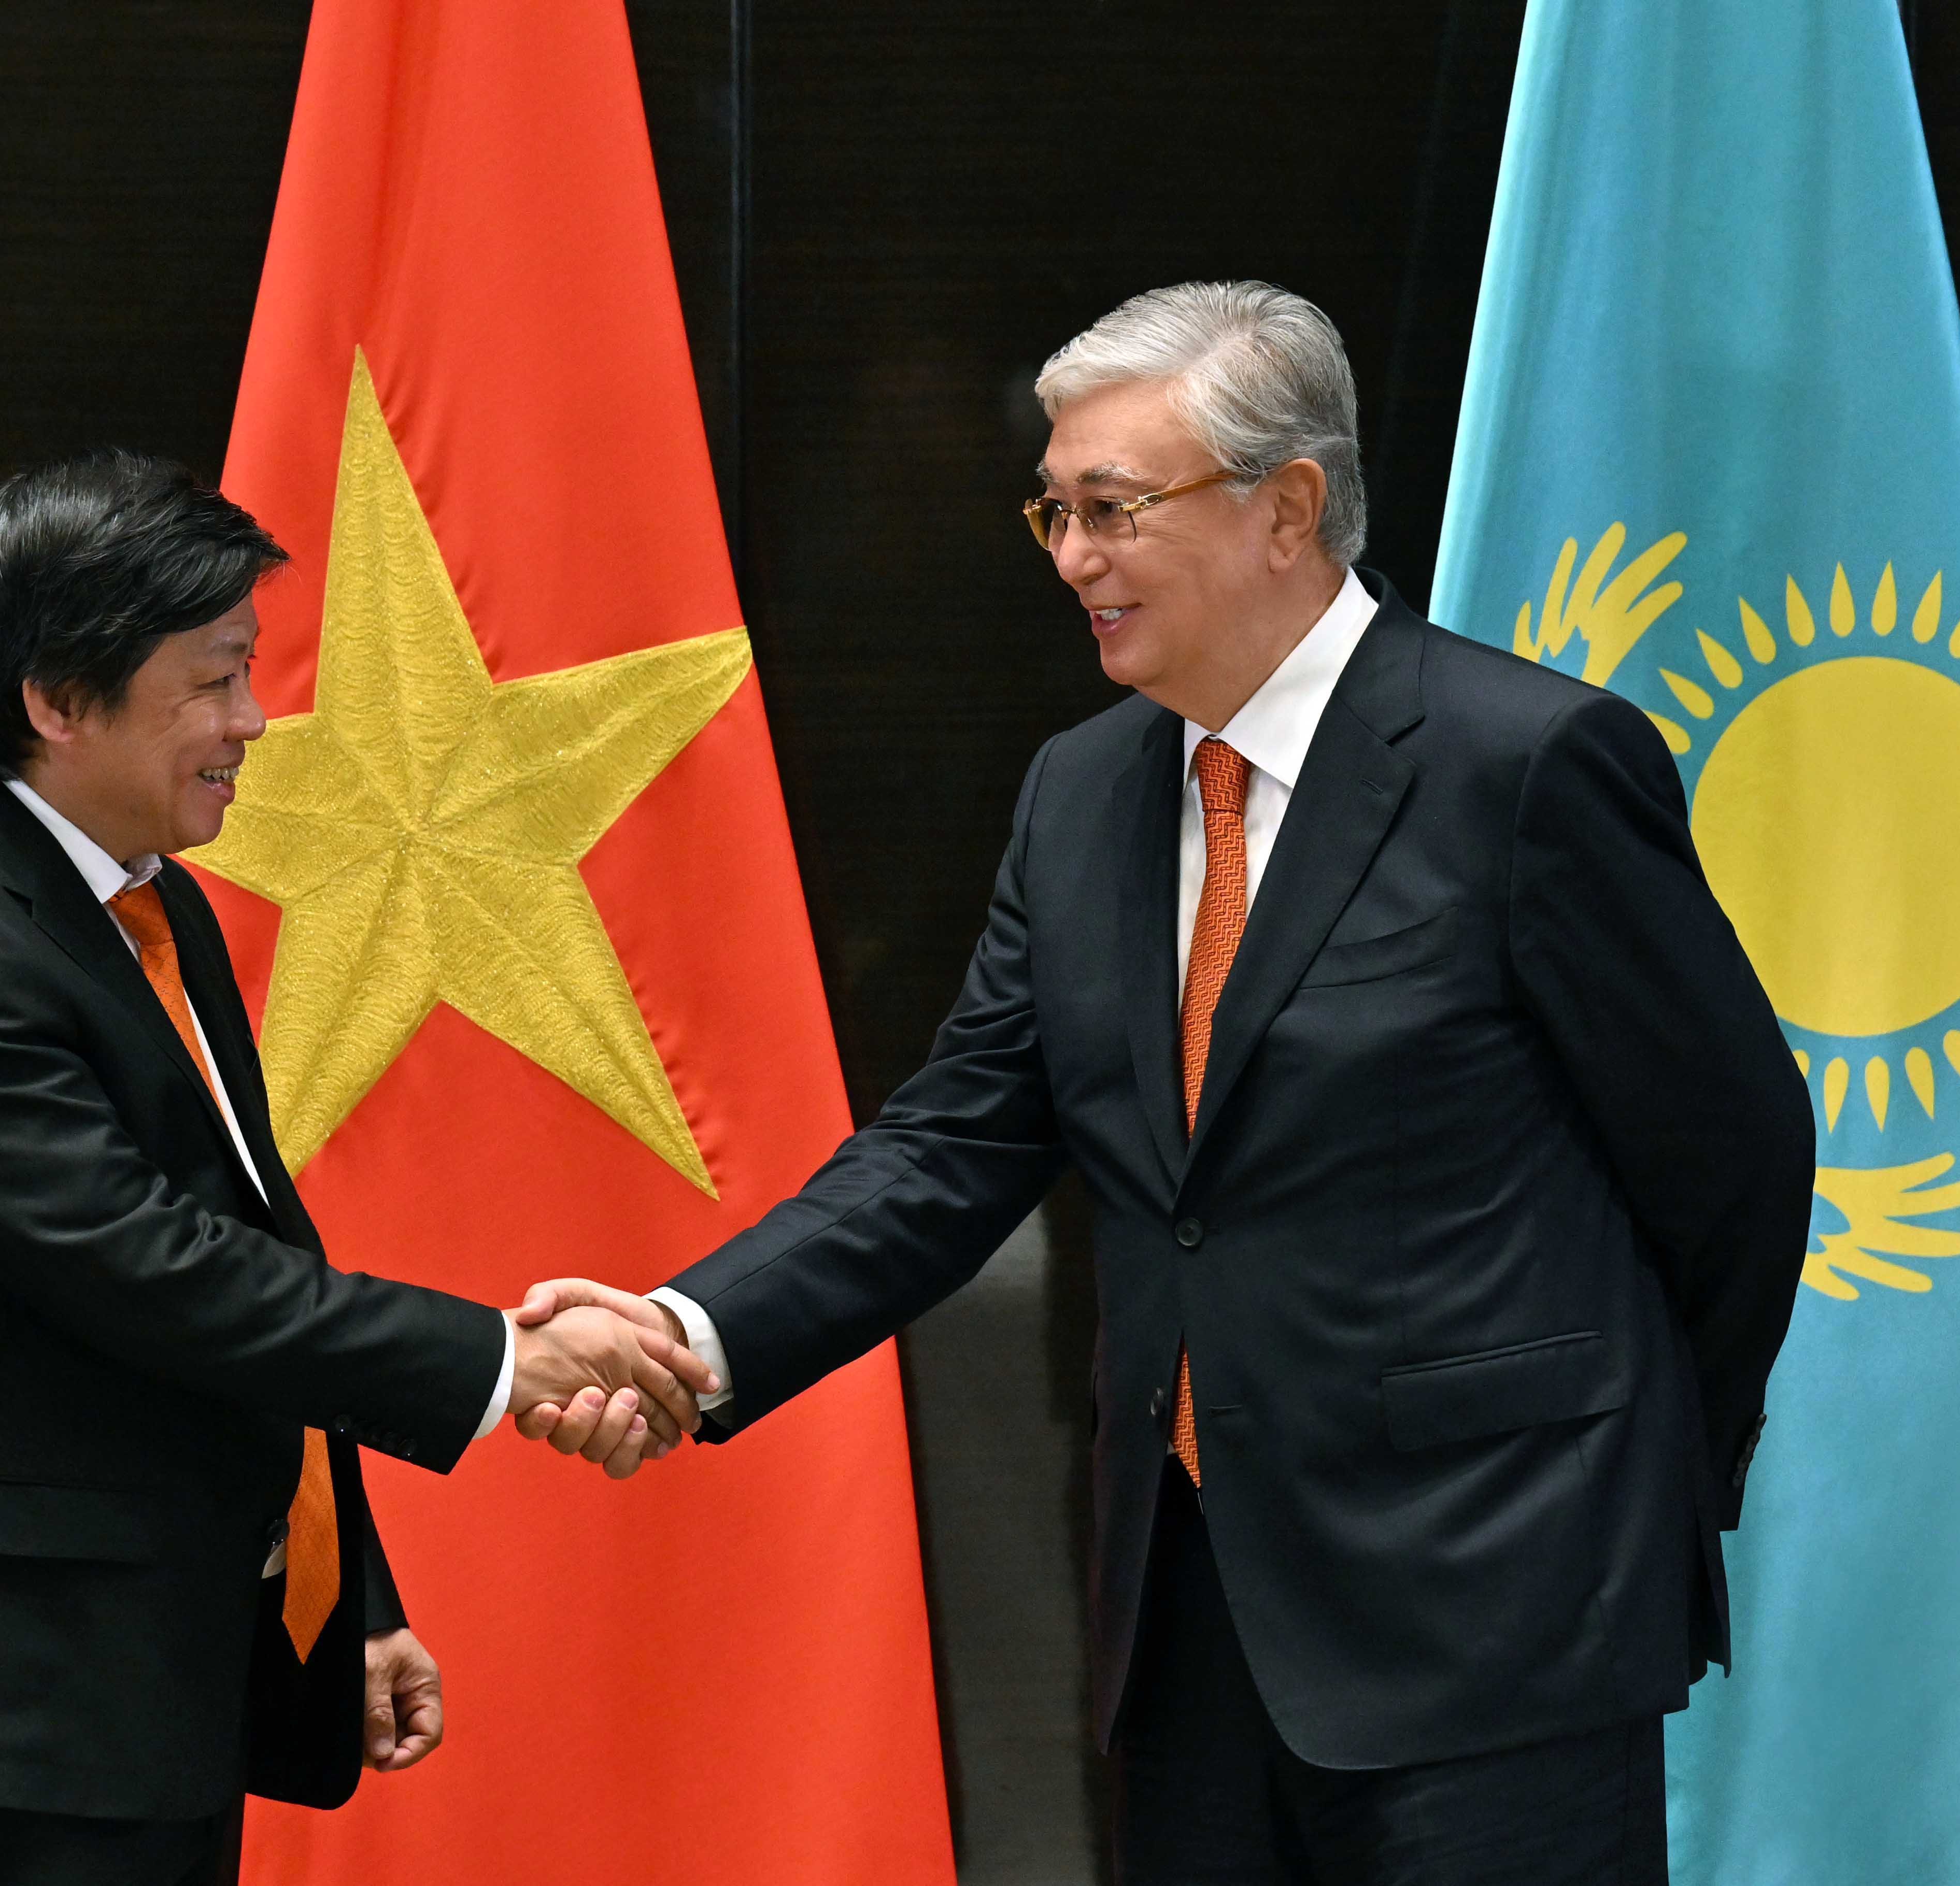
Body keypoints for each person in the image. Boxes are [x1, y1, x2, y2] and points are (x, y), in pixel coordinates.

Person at [521, 283, 1813, 1883]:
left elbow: (1734, 1162)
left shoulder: (1524, 765)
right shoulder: (1080, 794)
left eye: (1115, 509)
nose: (1073, 557)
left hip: (1500, 1616)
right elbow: (951, 1147)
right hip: (1192, 1626)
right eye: (1054, 511)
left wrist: (1631, 1477)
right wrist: (689, 1330)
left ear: (1288, 510)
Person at [0, 450, 712, 1886]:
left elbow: (256, 1244)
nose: (253, 722)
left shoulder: (150, 904)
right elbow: (153, 1272)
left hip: (135, 1688)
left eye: (247, 671)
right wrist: (507, 1363)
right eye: (211, 681)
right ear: (56, 700)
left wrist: (345, 1588)